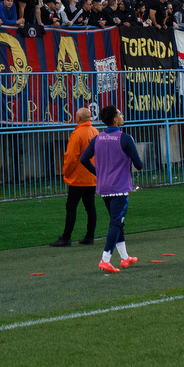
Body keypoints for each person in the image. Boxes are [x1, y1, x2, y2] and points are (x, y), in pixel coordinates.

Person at [76, 104, 144, 271]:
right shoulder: (125, 138)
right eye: (119, 113)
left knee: (117, 222)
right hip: (119, 187)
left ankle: (125, 258)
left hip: (104, 187)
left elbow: (84, 159)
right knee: (116, 222)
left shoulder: (98, 138)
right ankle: (105, 258)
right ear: (115, 119)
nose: (121, 116)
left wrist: (98, 173)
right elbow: (139, 165)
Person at [49, 106, 98, 246]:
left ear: (77, 118)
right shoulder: (95, 132)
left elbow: (71, 157)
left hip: (78, 177)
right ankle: (90, 236)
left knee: (71, 207)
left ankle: (66, 237)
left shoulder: (77, 134)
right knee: (90, 207)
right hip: (91, 176)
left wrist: (67, 172)